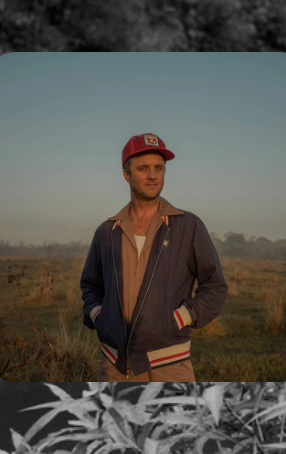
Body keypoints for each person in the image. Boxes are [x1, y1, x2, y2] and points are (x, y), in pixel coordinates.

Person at [80, 132, 227, 382]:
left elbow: (215, 286)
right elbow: (90, 286)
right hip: (114, 365)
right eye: (143, 168)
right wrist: (100, 318)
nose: (153, 175)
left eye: (159, 168)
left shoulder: (188, 226)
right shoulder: (107, 232)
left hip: (170, 365)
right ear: (126, 174)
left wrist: (177, 319)